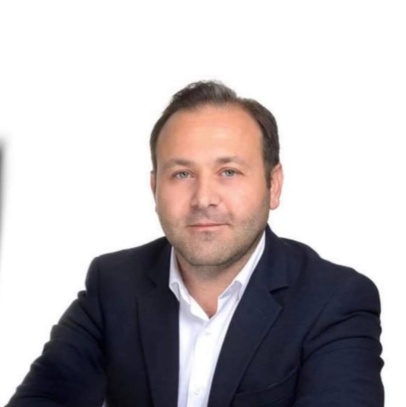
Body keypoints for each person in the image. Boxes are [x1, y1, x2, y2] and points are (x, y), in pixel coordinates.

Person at [6, 81, 384, 407]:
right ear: (155, 188)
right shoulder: (113, 284)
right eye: (182, 174)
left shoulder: (335, 301)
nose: (204, 198)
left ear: (274, 185)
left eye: (229, 172)